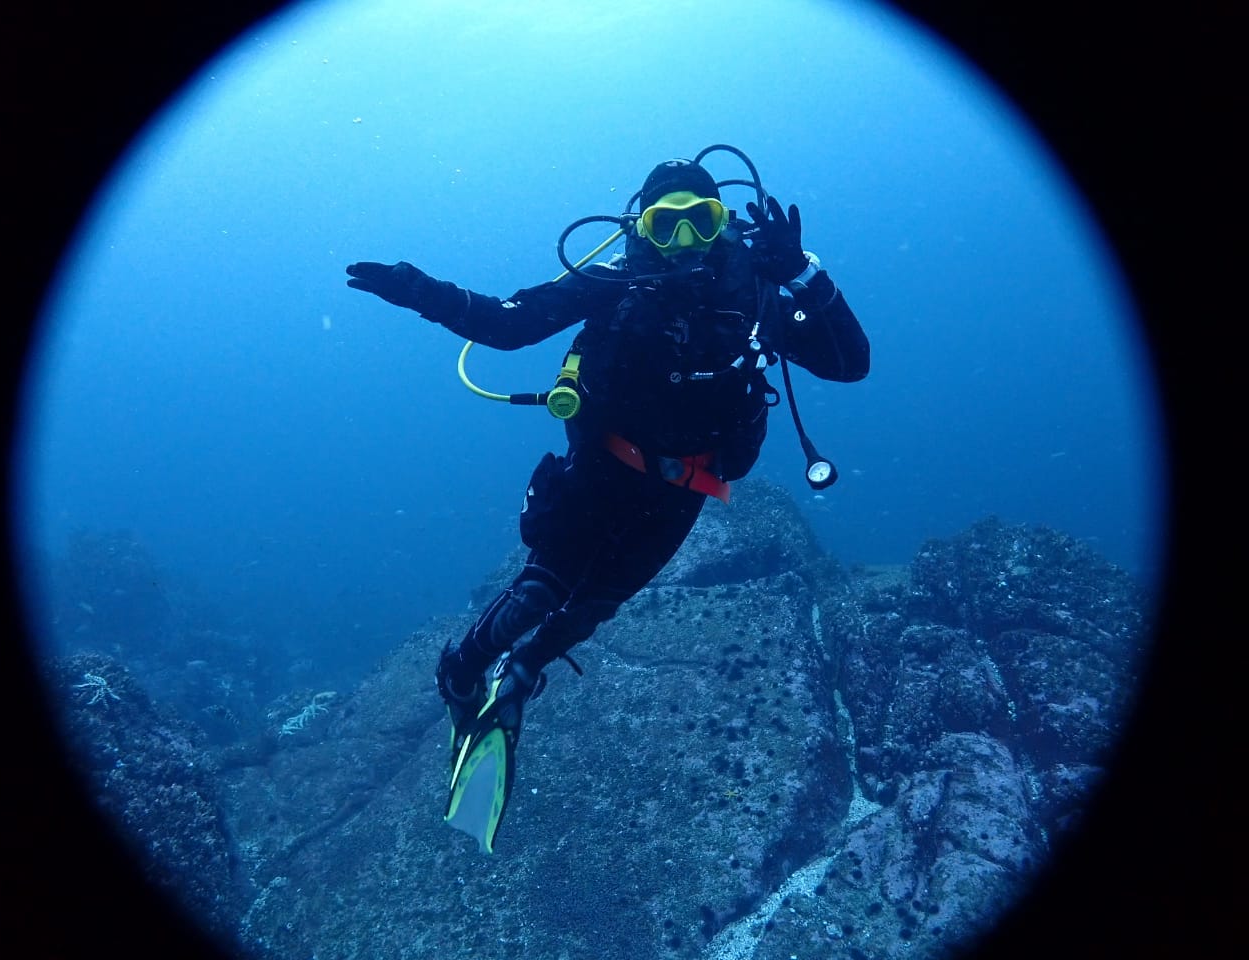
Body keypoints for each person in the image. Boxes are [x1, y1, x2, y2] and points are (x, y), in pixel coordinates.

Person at [346, 148, 869, 851]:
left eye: (700, 221)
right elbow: (505, 324)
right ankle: (462, 670)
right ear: (641, 230)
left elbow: (849, 364)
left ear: (723, 225)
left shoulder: (760, 295)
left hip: (685, 486)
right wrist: (416, 288)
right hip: (601, 465)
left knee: (596, 605)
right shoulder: (617, 285)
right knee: (545, 587)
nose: (682, 242)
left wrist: (804, 274)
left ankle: (521, 681)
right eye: (665, 224)